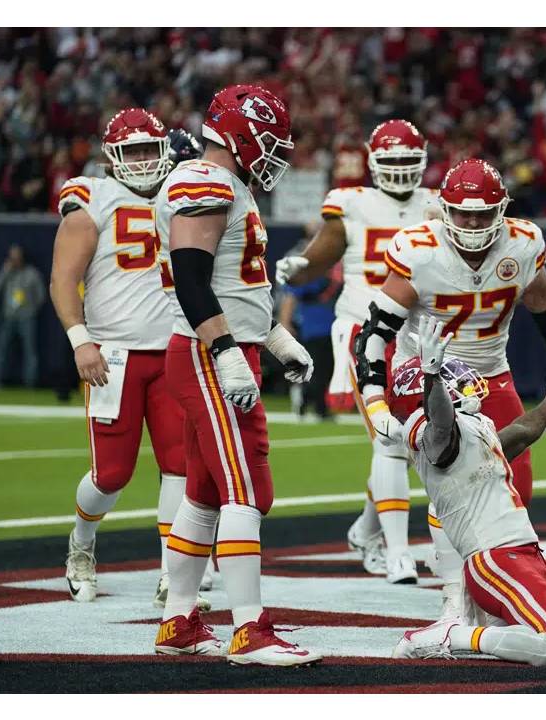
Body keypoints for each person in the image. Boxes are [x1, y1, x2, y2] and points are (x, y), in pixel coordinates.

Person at [352, 157, 546, 626]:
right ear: (444, 210)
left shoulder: (522, 246)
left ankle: (495, 584)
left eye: (484, 213)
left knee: (515, 488)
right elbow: (374, 334)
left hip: (489, 370)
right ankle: (452, 600)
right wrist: (377, 401)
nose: (475, 223)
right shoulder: (419, 250)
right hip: (425, 373)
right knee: (456, 482)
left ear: (502, 209)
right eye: (464, 213)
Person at [151, 84, 321, 666]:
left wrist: (273, 339)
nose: (274, 155)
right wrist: (225, 351)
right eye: (268, 141)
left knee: (203, 491)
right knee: (246, 486)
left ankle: (178, 619)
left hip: (223, 347)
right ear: (241, 132)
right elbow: (192, 280)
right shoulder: (205, 180)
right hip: (206, 352)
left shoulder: (229, 184)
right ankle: (250, 628)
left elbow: (235, 286)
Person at [389, 317, 546, 665]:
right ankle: (452, 635)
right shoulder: (430, 435)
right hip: (493, 560)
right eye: (449, 377)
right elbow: (441, 420)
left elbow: (520, 431)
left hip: (530, 558)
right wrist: (432, 374)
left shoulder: (472, 427)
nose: (460, 379)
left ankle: (513, 630)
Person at [51, 108, 213, 609]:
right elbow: (61, 280)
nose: (144, 160)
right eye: (133, 151)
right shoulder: (91, 199)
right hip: (113, 357)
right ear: (112, 156)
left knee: (179, 468)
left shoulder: (180, 196)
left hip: (171, 353)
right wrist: (81, 339)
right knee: (111, 475)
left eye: (150, 149)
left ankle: (172, 573)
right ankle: (81, 544)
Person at [274, 120, 441, 584]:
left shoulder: (436, 205)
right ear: (372, 164)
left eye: (410, 162)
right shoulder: (351, 202)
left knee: (414, 444)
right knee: (390, 439)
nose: (402, 172)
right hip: (362, 329)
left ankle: (366, 530)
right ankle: (398, 551)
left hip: (417, 333)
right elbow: (323, 255)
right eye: (393, 162)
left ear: (423, 162)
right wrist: (301, 265)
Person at [277, 235, 341, 422]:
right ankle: (315, 405)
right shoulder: (309, 275)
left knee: (326, 370)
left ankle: (309, 402)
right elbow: (291, 299)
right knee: (319, 370)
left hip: (330, 327)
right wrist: (285, 323)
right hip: (313, 328)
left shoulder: (329, 274)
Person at [0, 244, 45, 387]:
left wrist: (31, 310)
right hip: (8, 318)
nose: (14, 260)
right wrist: (5, 271)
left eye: (16, 256)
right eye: (12, 257)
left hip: (27, 318)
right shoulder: (7, 272)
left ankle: (30, 383)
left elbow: (41, 296)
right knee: (1, 352)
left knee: (30, 353)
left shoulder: (32, 274)